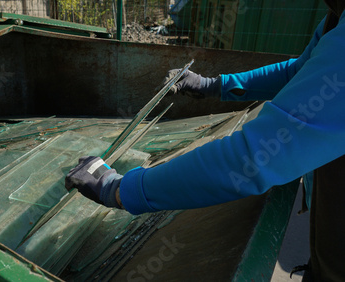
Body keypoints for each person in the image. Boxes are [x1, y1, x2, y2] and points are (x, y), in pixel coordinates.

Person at [65, 1, 345, 280]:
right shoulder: (337, 16)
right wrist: (211, 85)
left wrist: (118, 190)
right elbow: (302, 71)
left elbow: (254, 158)